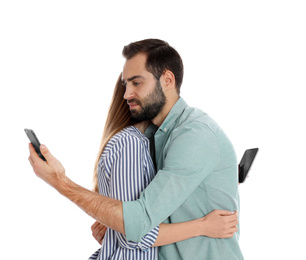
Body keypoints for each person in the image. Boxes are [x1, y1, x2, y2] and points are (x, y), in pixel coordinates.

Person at [28, 38, 243, 259]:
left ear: (168, 79)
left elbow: (138, 223)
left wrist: (59, 182)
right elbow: (138, 226)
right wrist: (113, 227)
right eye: (125, 84)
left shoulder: (194, 135)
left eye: (137, 83)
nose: (126, 94)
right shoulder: (154, 136)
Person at [87, 74, 238, 259]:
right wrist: (203, 226)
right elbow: (133, 234)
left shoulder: (150, 141)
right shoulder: (130, 143)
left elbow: (147, 209)